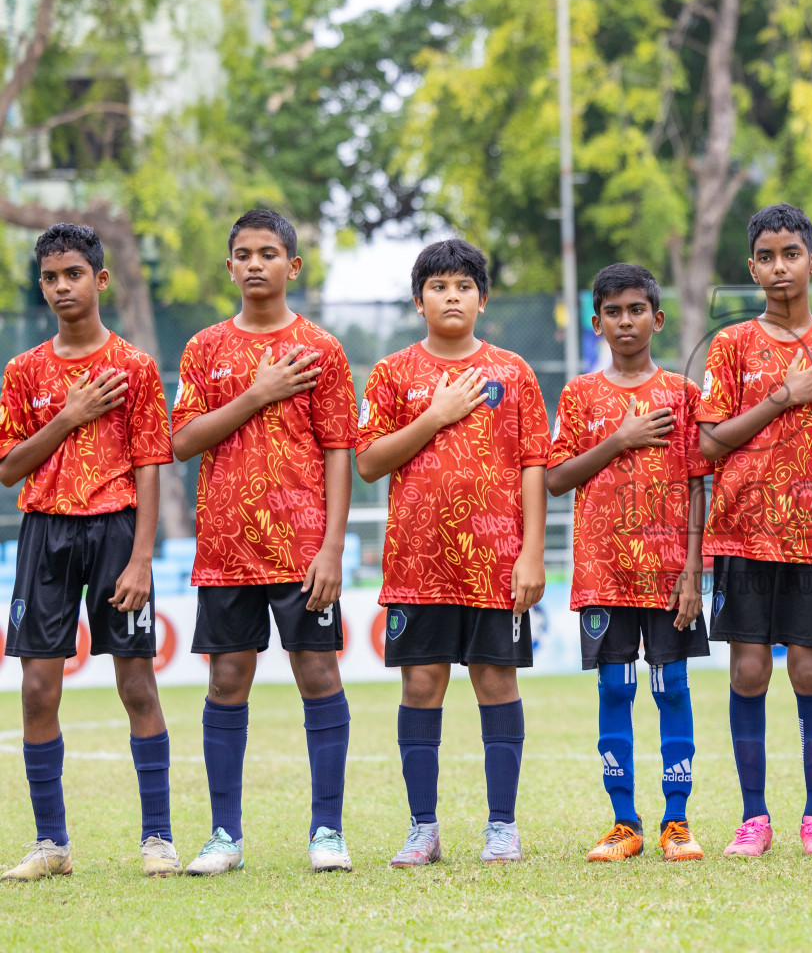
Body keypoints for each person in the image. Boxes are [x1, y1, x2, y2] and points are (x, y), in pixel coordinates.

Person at [173, 209, 358, 874]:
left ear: (293, 265)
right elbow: (182, 441)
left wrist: (332, 547)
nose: (256, 263)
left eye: (269, 253)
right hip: (226, 550)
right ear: (230, 266)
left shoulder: (321, 350)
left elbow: (340, 450)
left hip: (304, 549)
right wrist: (256, 393)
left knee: (317, 672)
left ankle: (327, 831)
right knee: (227, 678)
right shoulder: (205, 348)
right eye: (244, 254)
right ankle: (224, 836)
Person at [357, 239, 548, 867]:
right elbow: (368, 462)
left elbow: (532, 466)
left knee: (496, 682)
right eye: (438, 286)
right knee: (421, 684)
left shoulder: (514, 372)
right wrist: (434, 416)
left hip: (496, 566)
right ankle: (423, 828)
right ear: (419, 302)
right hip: (418, 563)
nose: (451, 296)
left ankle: (502, 825)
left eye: (463, 286)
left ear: (483, 300)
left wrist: (532, 555)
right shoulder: (390, 374)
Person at [0, 224, 178, 880]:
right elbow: (9, 467)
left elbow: (151, 463)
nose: (60, 287)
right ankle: (52, 845)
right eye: (49, 277)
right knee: (38, 688)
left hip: (115, 532)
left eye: (72, 273)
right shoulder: (23, 371)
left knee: (136, 683)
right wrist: (68, 416)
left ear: (100, 280)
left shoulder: (133, 366)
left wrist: (141, 558)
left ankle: (157, 839)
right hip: (45, 533)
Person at [697, 203, 812, 857]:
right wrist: (782, 397)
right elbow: (709, 444)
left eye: (790, 253)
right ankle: (754, 817)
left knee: (811, 673)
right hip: (740, 535)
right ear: (751, 267)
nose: (778, 267)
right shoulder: (731, 345)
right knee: (748, 672)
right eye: (765, 257)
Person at [547, 262, 711, 863]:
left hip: (670, 575)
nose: (625, 320)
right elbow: (558, 477)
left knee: (672, 689)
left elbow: (698, 484)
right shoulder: (580, 394)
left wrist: (694, 570)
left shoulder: (683, 395)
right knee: (614, 689)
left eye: (636, 309)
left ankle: (676, 821)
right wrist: (617, 438)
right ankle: (624, 822)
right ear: (596, 322)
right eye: (612, 311)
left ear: (657, 319)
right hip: (603, 571)